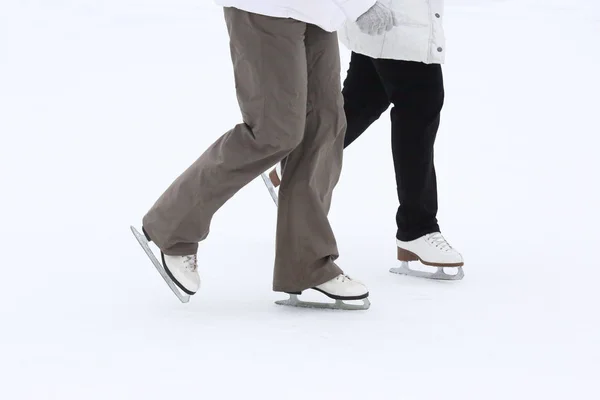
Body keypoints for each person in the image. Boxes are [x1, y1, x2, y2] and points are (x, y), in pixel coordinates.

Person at [135, 0, 399, 307]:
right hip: (268, 8)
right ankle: (171, 227)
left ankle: (307, 264)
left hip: (320, 10)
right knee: (274, 132)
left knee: (324, 126)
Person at [264, 0, 465, 280]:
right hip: (395, 19)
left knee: (363, 100)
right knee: (419, 107)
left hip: (391, 18)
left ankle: (294, 162)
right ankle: (417, 229)